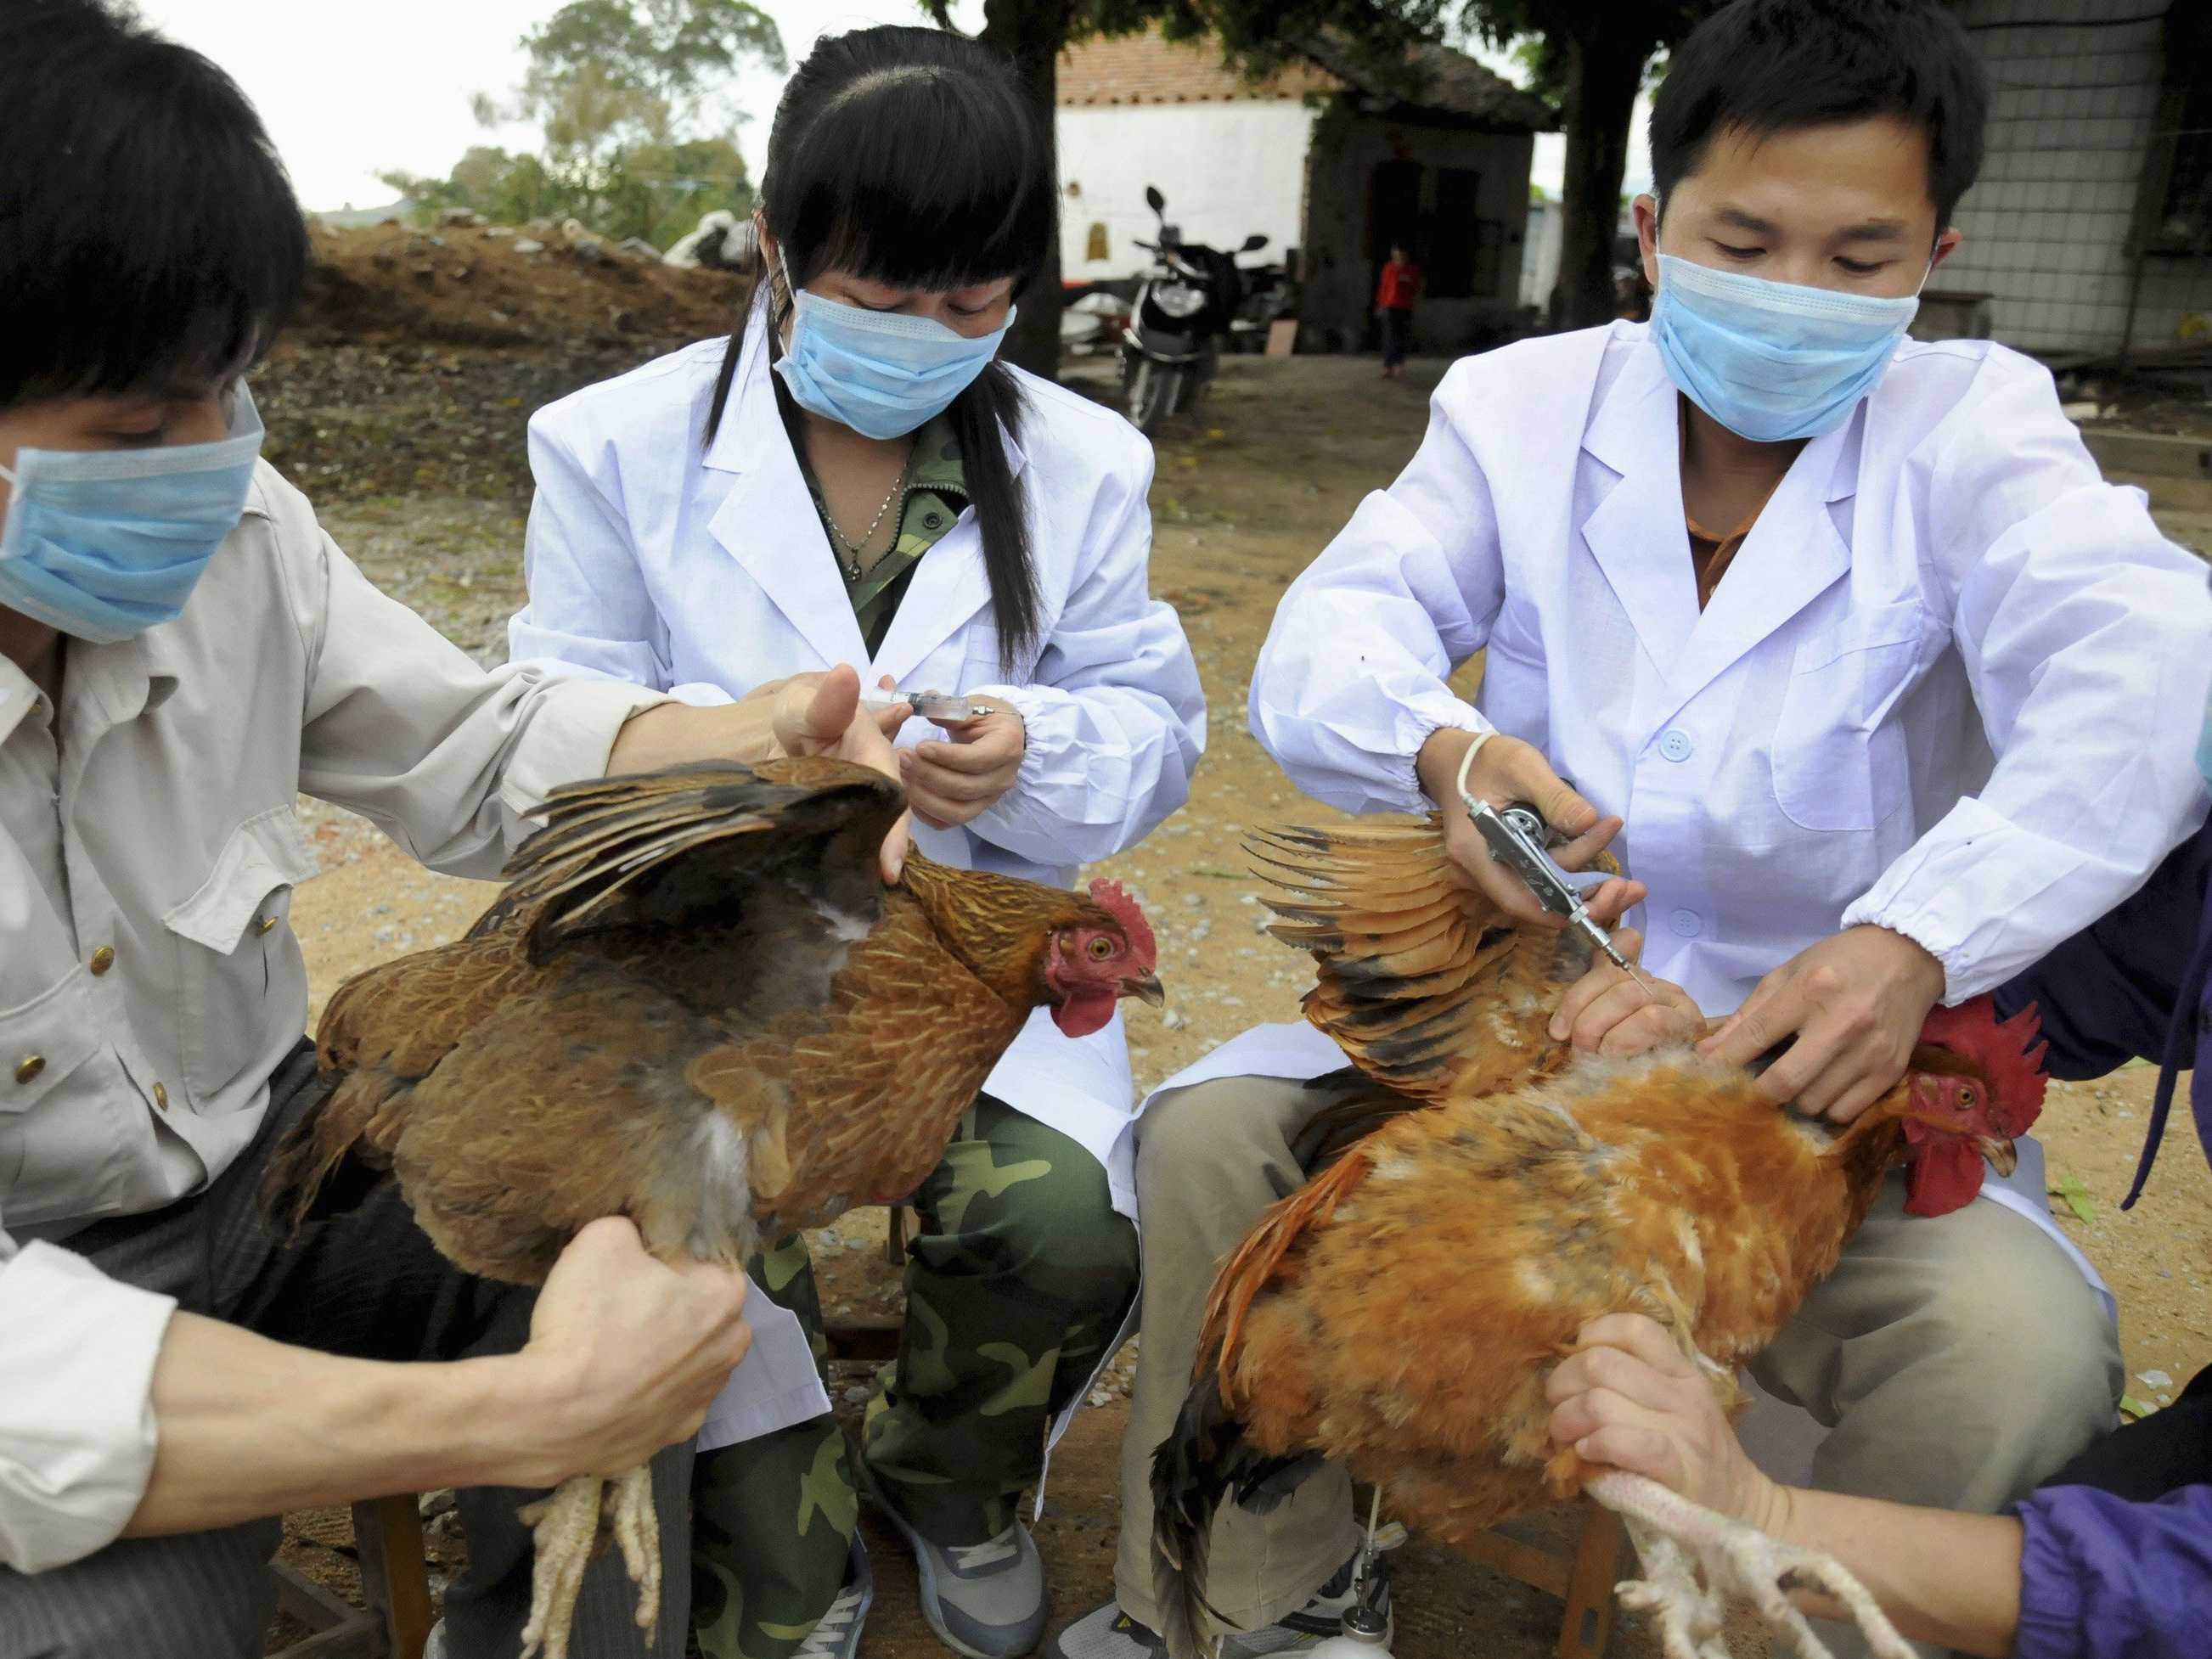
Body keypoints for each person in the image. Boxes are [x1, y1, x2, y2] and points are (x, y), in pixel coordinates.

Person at [1050, 3, 2212, 1657]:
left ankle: (1789, 1620)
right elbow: (1331, 637)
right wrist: (1443, 749)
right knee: (1216, 1140)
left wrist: (1915, 933)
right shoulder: (1522, 408)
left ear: (1933, 254)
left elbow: (2158, 672)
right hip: (1519, 1025)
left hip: (1823, 1088)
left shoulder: (1978, 437)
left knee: (2005, 1343)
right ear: (1654, 229)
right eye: (1746, 239)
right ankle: (1256, 1595)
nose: (1797, 292)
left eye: (1859, 254)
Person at [0, 6, 920, 1656]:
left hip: (272, 1162)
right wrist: (507, 1416)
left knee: (634, 1273)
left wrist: (732, 746)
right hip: (36, 1290)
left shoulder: (239, 528)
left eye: (232, 389)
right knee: (115, 1630)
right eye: (135, 432)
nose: (210, 460)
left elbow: (473, 739)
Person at [505, 26, 1206, 1659]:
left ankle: (947, 1471)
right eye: (884, 296)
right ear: (777, 245)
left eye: (974, 304)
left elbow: (1155, 731)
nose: (930, 337)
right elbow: (563, 733)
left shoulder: (1086, 461)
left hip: (963, 966)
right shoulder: (609, 447)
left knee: (1059, 1216)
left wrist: (1036, 752)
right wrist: (777, 773)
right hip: (710, 973)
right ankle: (792, 1486)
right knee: (705, 1211)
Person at [1547, 716, 2212, 1659]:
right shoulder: (2194, 879)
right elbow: (2082, 974)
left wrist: (1764, 1510)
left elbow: (2171, 1595)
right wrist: (1833, 1006)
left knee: (2024, 1364)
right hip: (1627, 1029)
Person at [1375, 244, 1421, 380]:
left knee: (1401, 337)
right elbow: (1383, 287)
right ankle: (1387, 366)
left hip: (1405, 307)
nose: (1397, 256)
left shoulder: (1412, 270)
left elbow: (1416, 288)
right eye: (1395, 253)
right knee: (1390, 336)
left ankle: (1398, 364)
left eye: (1400, 253)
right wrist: (1380, 304)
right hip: (1391, 306)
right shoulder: (1389, 268)